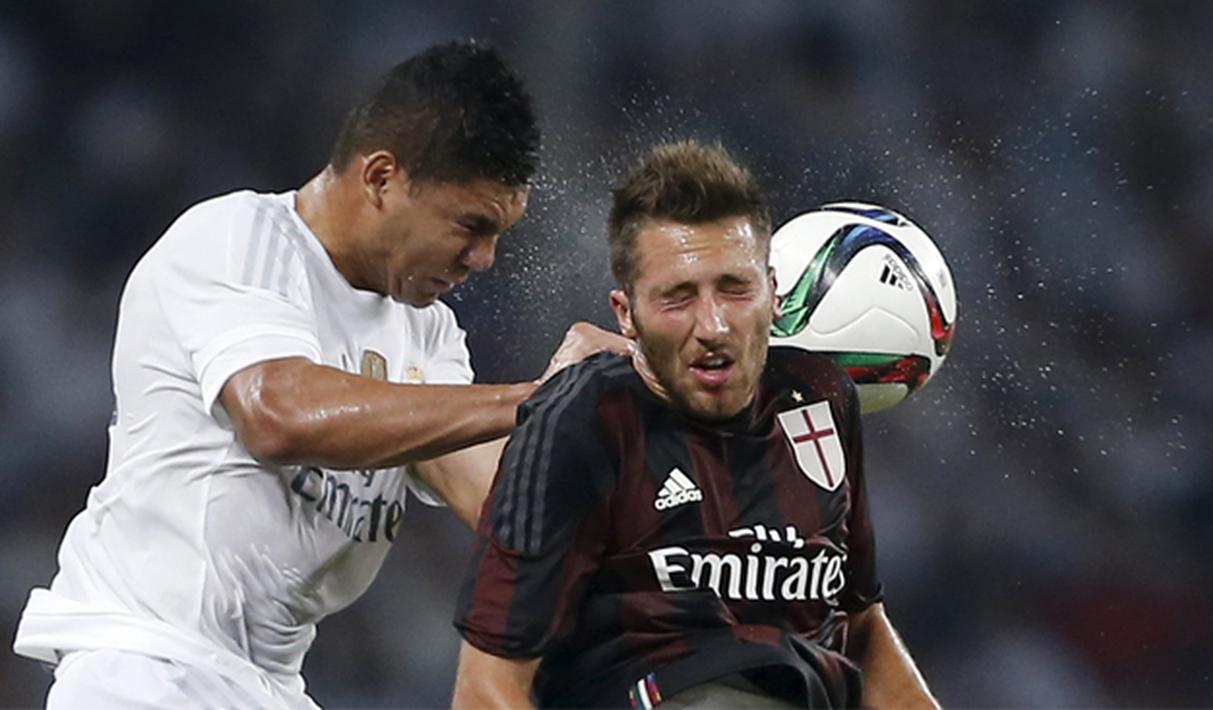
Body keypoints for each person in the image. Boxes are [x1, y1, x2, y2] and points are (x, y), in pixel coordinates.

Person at [12, 41, 629, 709]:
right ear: (381, 178)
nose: (483, 259)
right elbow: (276, 414)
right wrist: (538, 397)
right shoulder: (238, 240)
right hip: (149, 665)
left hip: (268, 688)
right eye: (470, 225)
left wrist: (633, 442)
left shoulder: (425, 331)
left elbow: (496, 495)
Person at [451, 141, 939, 708]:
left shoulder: (820, 398)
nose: (713, 326)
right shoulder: (584, 421)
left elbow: (860, 623)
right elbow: (485, 689)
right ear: (626, 314)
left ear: (774, 293)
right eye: (677, 298)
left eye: (735, 290)